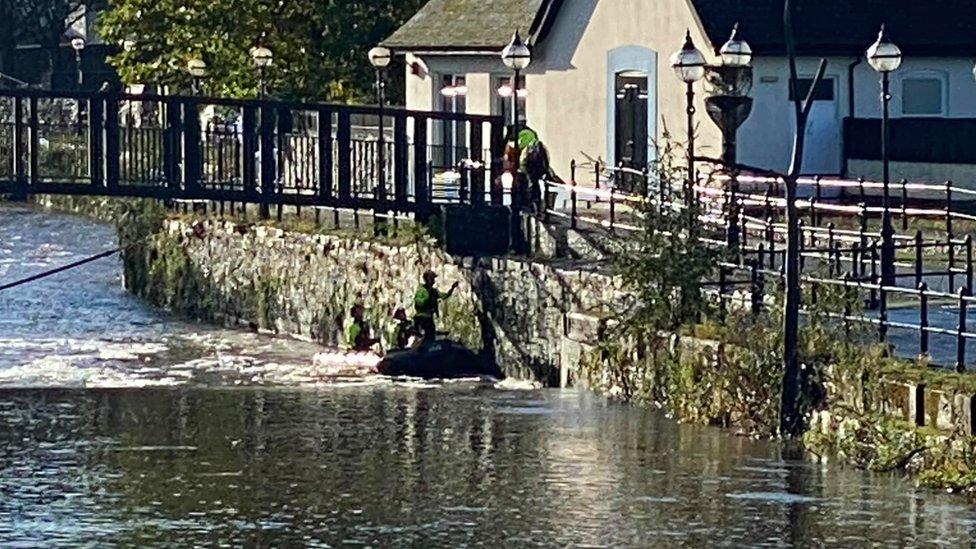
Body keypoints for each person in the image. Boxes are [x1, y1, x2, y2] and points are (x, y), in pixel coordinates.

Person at [414, 270, 460, 344]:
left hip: (429, 317)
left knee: (431, 336)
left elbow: (444, 296)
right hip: (422, 318)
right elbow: (418, 303)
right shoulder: (421, 290)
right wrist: (427, 299)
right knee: (424, 337)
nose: (433, 281)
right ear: (428, 279)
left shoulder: (433, 291)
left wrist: (452, 288)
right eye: (432, 279)